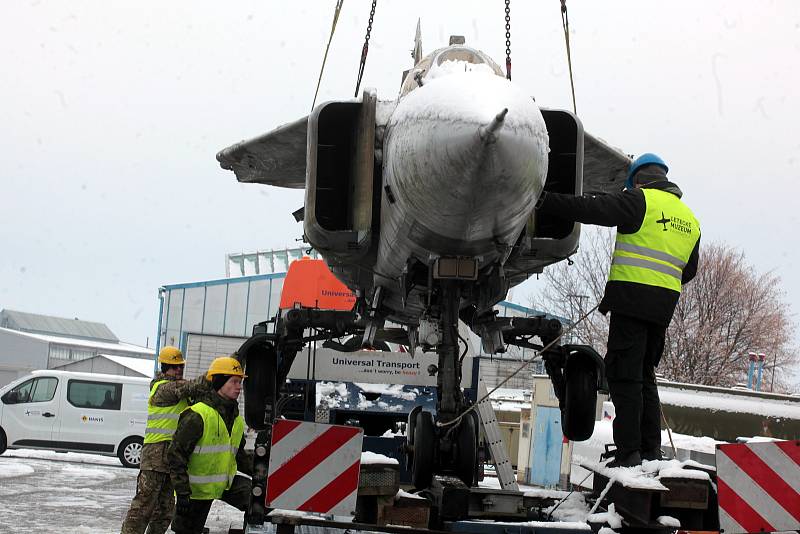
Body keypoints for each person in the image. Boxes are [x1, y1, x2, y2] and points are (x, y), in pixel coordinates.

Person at [536, 153, 700, 467]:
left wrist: (544, 201)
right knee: (644, 377)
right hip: (662, 308)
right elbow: (688, 270)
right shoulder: (689, 218)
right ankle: (650, 451)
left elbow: (591, 209)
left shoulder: (640, 201)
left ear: (637, 180)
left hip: (631, 303)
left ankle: (628, 454)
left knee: (624, 378)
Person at [121, 346, 210, 534]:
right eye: (174, 367)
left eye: (180, 367)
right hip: (154, 458)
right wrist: (217, 373)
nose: (178, 370)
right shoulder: (162, 388)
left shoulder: (178, 389)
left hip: (171, 458)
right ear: (165, 367)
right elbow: (191, 386)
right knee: (144, 506)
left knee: (165, 510)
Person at [168, 356, 253, 534]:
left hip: (222, 485)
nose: (239, 387)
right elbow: (176, 455)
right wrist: (182, 493)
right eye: (235, 381)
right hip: (194, 492)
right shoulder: (197, 415)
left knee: (258, 499)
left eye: (240, 382)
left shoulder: (235, 419)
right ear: (220, 382)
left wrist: (264, 476)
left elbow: (240, 456)